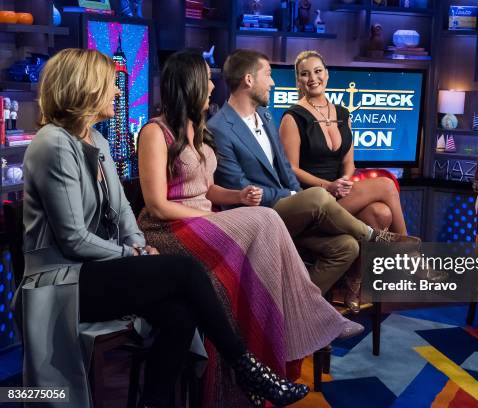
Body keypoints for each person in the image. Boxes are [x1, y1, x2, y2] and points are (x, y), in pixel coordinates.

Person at [18, 48, 308, 408]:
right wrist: (134, 253)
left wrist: (137, 244)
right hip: (59, 281)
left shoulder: (99, 141)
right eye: (111, 84)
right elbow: (73, 239)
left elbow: (125, 212)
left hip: (94, 269)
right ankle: (246, 366)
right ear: (85, 87)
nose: (118, 92)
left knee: (180, 315)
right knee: (185, 270)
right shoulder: (52, 144)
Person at [137, 50, 364, 406]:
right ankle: (313, 316)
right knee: (268, 218)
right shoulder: (154, 131)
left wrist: (238, 195)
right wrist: (214, 217)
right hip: (169, 229)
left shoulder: (197, 127)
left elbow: (207, 189)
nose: (212, 86)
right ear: (190, 83)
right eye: (206, 80)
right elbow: (156, 205)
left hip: (203, 221)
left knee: (265, 232)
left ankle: (278, 345)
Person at [209, 49, 409, 313]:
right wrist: (296, 195)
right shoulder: (220, 127)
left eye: (317, 71)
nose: (272, 82)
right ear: (248, 80)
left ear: (326, 74)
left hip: (298, 203)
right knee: (333, 194)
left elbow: (285, 171)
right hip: (260, 215)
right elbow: (240, 187)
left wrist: (300, 192)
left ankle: (292, 311)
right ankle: (384, 242)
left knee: (351, 242)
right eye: (268, 75)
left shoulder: (265, 116)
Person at [279, 50, 408, 236]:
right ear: (298, 80)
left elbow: (349, 163)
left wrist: (344, 183)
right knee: (387, 185)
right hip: (313, 200)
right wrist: (328, 186)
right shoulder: (292, 117)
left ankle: (376, 263)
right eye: (304, 74)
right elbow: (291, 168)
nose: (312, 78)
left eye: (317, 71)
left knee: (381, 213)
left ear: (327, 74)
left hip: (340, 195)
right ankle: (412, 255)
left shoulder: (343, 114)